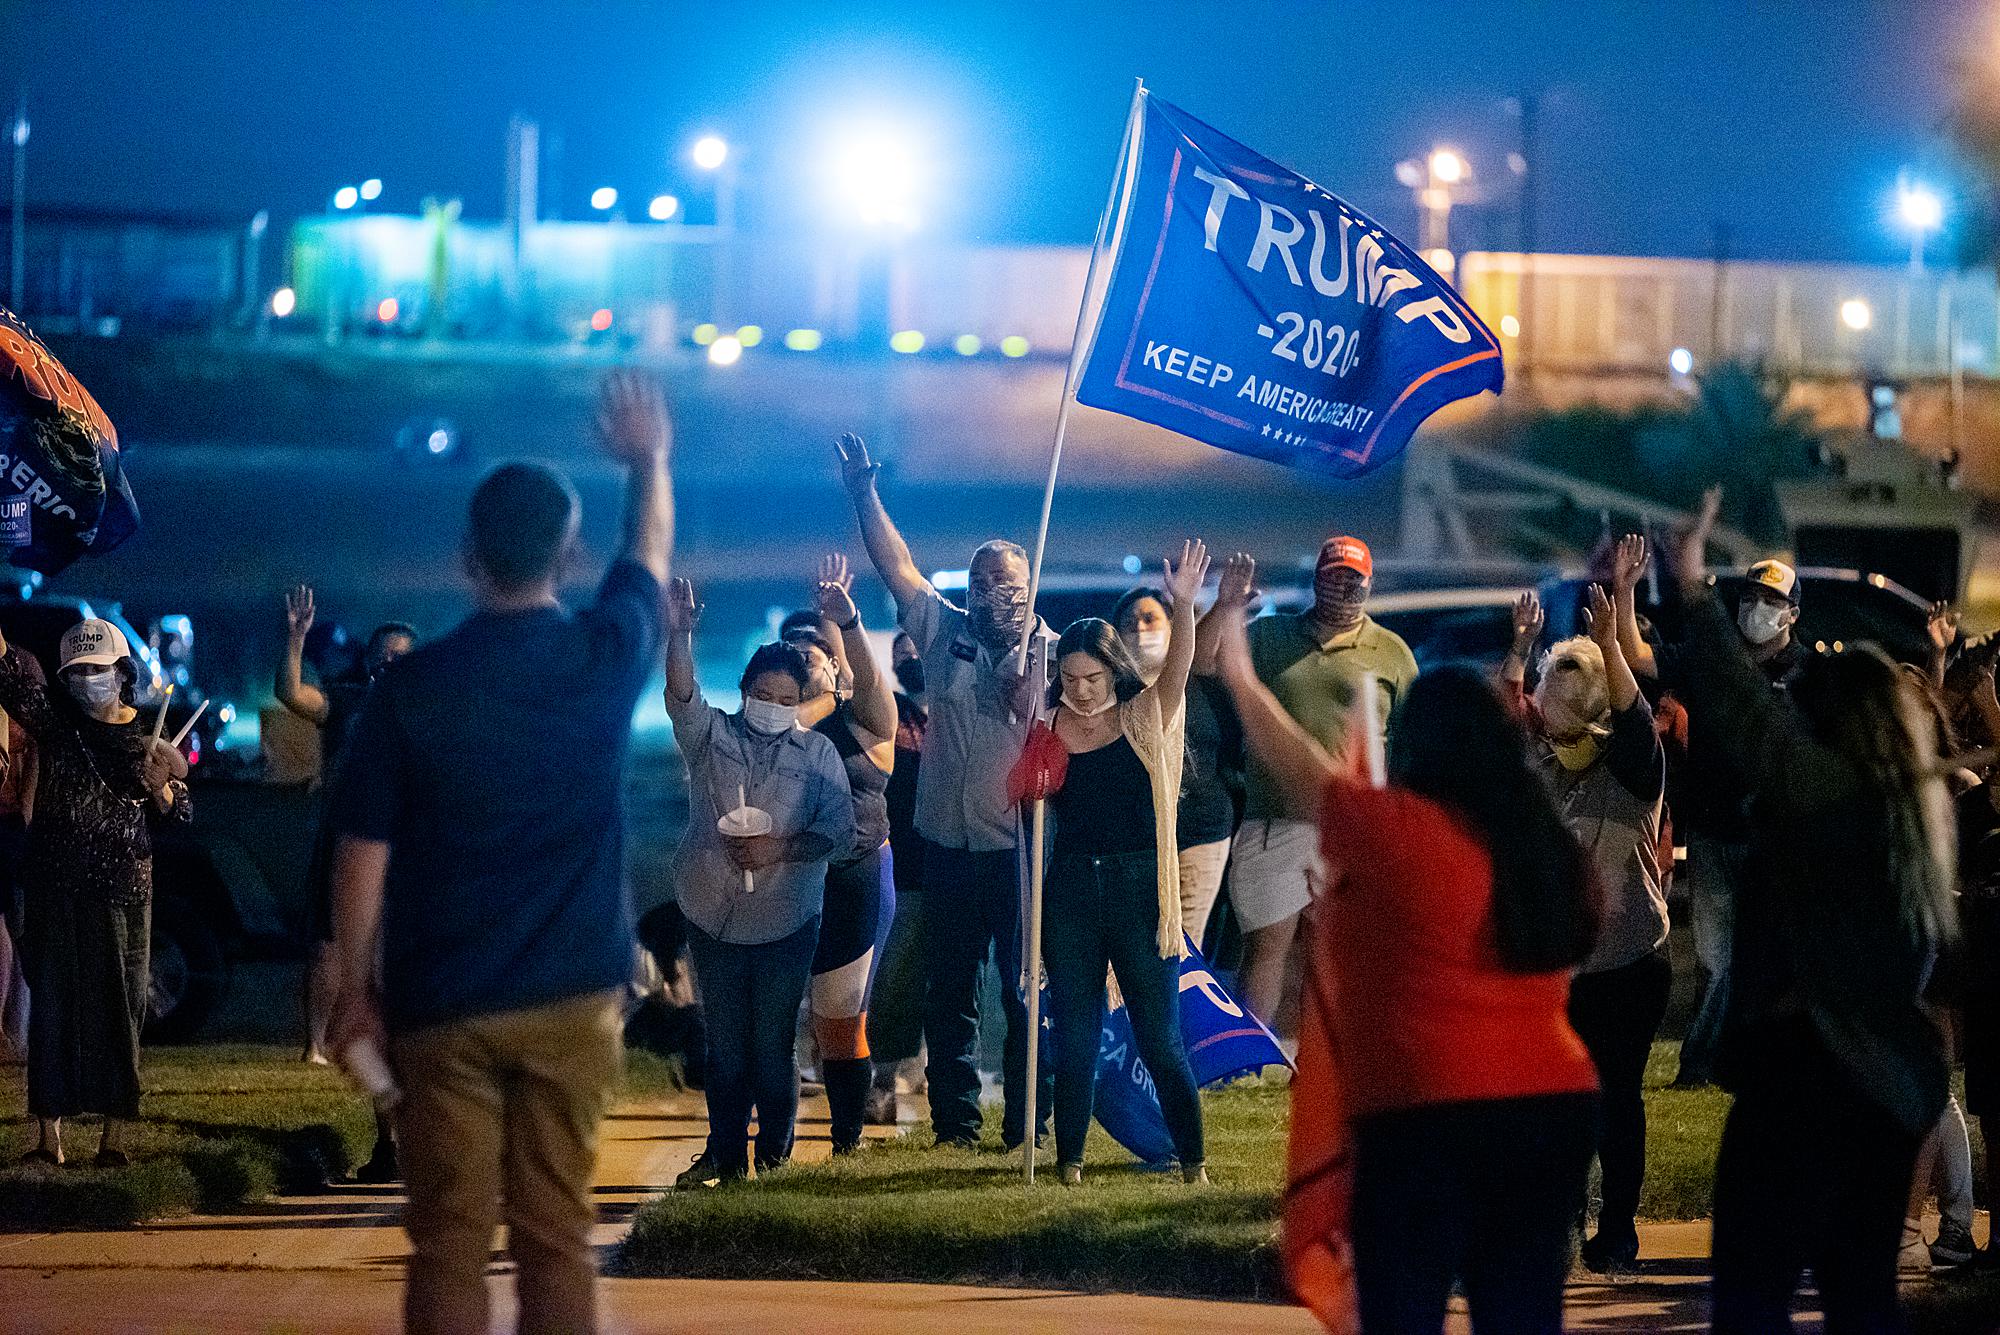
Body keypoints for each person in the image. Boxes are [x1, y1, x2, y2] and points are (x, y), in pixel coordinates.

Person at [327, 371, 672, 1335]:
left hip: (443, 999)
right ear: (568, 552)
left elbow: (364, 851)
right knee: (555, 1233)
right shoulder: (603, 658)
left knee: (446, 1237)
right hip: (572, 993)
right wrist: (649, 460)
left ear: (466, 555)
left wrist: (355, 983)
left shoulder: (411, 688)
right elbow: (647, 552)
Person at [1213, 586, 1600, 1333]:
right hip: (1554, 1104)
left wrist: (1237, 669)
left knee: (1402, 1311)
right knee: (1522, 1313)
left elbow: (1297, 766)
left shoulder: (1396, 830)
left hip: (1427, 1111)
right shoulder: (1544, 846)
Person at [1662, 489, 1956, 1333]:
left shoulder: (1827, 793)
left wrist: (1691, 585)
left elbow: (1746, 713)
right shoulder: (1913, 810)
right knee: (1861, 1302)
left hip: (1812, 1069)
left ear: (1835, 721)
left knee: (1752, 1297)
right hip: (1888, 1085)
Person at [836, 430, 1052, 1150]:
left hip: (1018, 852)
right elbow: (895, 565)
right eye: (983, 581)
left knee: (1025, 995)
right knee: (949, 995)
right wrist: (865, 493)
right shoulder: (942, 632)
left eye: (1008, 583)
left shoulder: (1052, 653)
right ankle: (956, 1124)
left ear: (1029, 588)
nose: (994, 593)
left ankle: (1027, 1125)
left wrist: (1031, 700)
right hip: (947, 852)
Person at [1504, 577, 1669, 1275]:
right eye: (1551, 720)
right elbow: (1507, 722)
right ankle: (1564, 1220)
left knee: (1616, 1098)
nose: (1554, 733)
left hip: (1630, 963)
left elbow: (1634, 717)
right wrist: (1519, 650)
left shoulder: (1632, 770)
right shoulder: (1545, 765)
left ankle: (1619, 1227)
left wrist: (1610, 640)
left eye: (1569, 723)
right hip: (1561, 967)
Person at [665, 583, 853, 1187]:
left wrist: (782, 847)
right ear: (744, 692)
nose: (772, 705)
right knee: (726, 1048)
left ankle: (773, 1162)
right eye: (762, 694)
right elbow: (681, 696)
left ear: (802, 701)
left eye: (785, 697)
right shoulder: (713, 739)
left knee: (771, 1049)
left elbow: (840, 831)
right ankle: (726, 1158)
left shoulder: (818, 754)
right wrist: (680, 633)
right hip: (711, 915)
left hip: (786, 920)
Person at [1044, 541, 1211, 1185]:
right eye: (1070, 680)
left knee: (1159, 1035)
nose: (1082, 692)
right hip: (1071, 891)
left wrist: (1185, 607)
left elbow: (1178, 670)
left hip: (1142, 889)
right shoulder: (1049, 723)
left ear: (1113, 674)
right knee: (1077, 1035)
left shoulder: (1144, 716)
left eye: (1093, 679)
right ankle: (1069, 1163)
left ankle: (1193, 1162)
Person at [2, 618, 191, 1166]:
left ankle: (114, 1140)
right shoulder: (58, 725)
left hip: (123, 890)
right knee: (52, 1009)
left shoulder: (146, 740)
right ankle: (48, 1140)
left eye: (96, 669)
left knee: (120, 1007)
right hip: (53, 885)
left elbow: (181, 811)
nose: (86, 680)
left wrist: (163, 788)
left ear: (122, 672)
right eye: (76, 672)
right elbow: (10, 675)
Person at [1626, 549, 1804, 1089]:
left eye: (1771, 601)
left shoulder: (1804, 675)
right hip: (1713, 833)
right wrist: (1626, 589)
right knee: (1717, 957)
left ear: (1792, 614)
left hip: (1773, 839)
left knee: (1748, 958)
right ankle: (1726, 1060)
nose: (1756, 609)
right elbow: (1642, 659)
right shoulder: (1714, 662)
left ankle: (1706, 1061)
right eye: (1749, 598)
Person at [1234, 534, 1417, 1033]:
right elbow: (1215, 669)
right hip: (1275, 817)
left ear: (1369, 585)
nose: (1344, 589)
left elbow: (1409, 740)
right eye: (1335, 578)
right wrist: (1226, 610)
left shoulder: (1393, 653)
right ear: (1317, 580)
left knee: (1338, 947)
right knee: (1267, 947)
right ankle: (1252, 1059)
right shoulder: (1268, 637)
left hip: (1354, 826)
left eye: (1354, 580)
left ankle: (1334, 1057)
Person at [784, 555, 899, 1155]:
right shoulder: (772, 728)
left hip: (854, 877)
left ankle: (846, 1142)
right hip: (786, 881)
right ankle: (762, 1146)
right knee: (771, 1020)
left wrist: (844, 622)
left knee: (841, 1019)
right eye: (790, 652)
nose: (803, 659)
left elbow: (871, 688)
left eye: (815, 652)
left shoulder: (866, 723)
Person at [277, 595, 416, 1069]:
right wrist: (296, 637)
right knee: (327, 946)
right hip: (344, 837)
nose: (391, 660)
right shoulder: (347, 698)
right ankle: (315, 1044)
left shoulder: (425, 709)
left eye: (402, 654)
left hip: (404, 843)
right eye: (384, 653)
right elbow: (291, 693)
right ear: (370, 659)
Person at [1114, 558, 1247, 950]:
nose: (1140, 629)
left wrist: (1216, 605)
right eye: (1130, 622)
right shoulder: (1112, 693)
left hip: (1198, 835)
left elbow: (1201, 647)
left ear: (1175, 626)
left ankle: (1178, 1014)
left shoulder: (1196, 679)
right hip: (1138, 843)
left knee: (1184, 948)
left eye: (1150, 619)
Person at [865, 629, 930, 1121]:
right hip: (904, 868)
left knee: (947, 978)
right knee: (894, 979)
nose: (910, 659)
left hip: (955, 864)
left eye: (917, 651)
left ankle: (933, 1070)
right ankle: (884, 1077)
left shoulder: (962, 712)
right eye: (900, 654)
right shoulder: (895, 713)